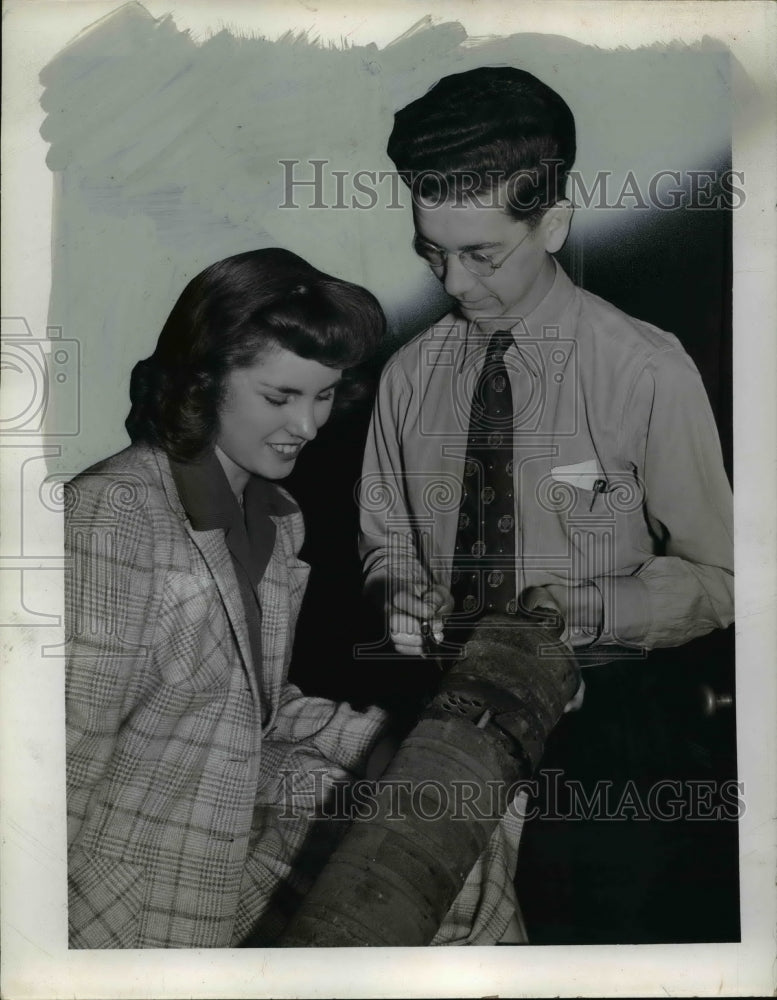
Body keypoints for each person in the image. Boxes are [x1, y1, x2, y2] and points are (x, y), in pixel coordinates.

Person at [359, 67, 734, 940]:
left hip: (608, 745)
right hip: (447, 730)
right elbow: (386, 543)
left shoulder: (645, 369)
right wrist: (395, 590)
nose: (453, 283)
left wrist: (587, 611)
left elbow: (725, 576)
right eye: (431, 253)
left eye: (481, 254)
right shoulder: (406, 378)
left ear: (553, 223)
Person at [65, 248, 393, 949]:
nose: (308, 426)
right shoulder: (112, 514)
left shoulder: (279, 517)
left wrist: (388, 746)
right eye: (280, 397)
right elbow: (62, 757)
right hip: (116, 913)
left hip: (225, 859)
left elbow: (248, 708)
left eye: (325, 395)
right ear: (204, 380)